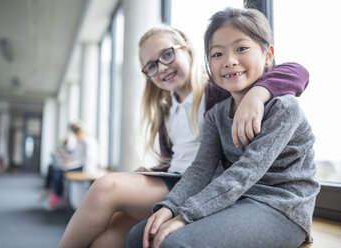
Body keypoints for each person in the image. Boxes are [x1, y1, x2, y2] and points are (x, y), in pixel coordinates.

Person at [58, 24, 310, 248]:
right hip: (179, 178)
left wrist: (260, 91)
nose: (163, 67)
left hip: (206, 185)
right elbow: (181, 157)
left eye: (167, 54)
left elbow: (296, 71)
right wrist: (154, 170)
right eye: (152, 65)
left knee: (106, 187)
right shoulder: (167, 111)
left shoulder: (219, 91)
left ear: (188, 51)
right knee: (111, 233)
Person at [126, 8, 320, 248]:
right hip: (239, 199)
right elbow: (200, 170)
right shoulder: (215, 114)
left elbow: (245, 172)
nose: (229, 61)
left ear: (268, 55)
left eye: (241, 49)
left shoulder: (283, 107)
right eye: (217, 54)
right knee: (139, 235)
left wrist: (186, 215)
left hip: (283, 208)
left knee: (176, 243)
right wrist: (169, 207)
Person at [45, 122, 99, 211]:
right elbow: (76, 155)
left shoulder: (88, 141)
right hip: (79, 165)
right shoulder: (81, 142)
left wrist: (71, 161)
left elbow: (88, 160)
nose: (77, 137)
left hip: (86, 168)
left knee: (58, 172)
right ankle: (56, 194)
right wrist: (69, 159)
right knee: (54, 169)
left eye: (77, 134)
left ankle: (57, 195)